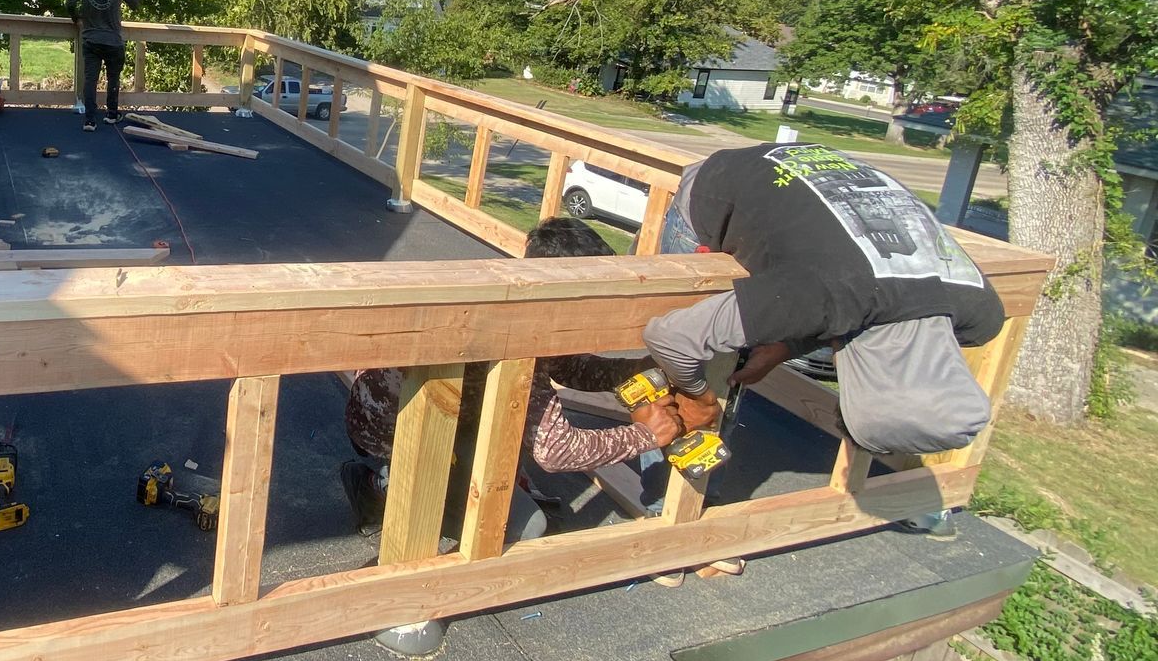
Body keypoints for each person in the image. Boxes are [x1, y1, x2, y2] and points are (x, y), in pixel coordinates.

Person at [641, 143, 1005, 470]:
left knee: (730, 340)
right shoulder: (825, 295)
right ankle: (658, 495)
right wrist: (699, 398)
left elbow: (861, 308)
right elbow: (668, 337)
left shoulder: (982, 313)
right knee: (685, 364)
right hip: (723, 185)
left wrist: (785, 346)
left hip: (816, 185)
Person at [340, 217, 684, 541]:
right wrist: (645, 435)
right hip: (391, 431)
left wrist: (637, 368)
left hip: (417, 412)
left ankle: (432, 478)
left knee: (512, 434)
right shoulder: (516, 332)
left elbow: (565, 367)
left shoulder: (527, 293)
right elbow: (556, 452)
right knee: (526, 527)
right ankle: (379, 486)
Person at [64, 0, 142, 131]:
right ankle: (112, 114)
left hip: (90, 38)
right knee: (113, 78)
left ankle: (90, 120)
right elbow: (134, 4)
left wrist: (77, 19)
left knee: (90, 79)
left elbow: (70, 2)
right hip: (113, 39)